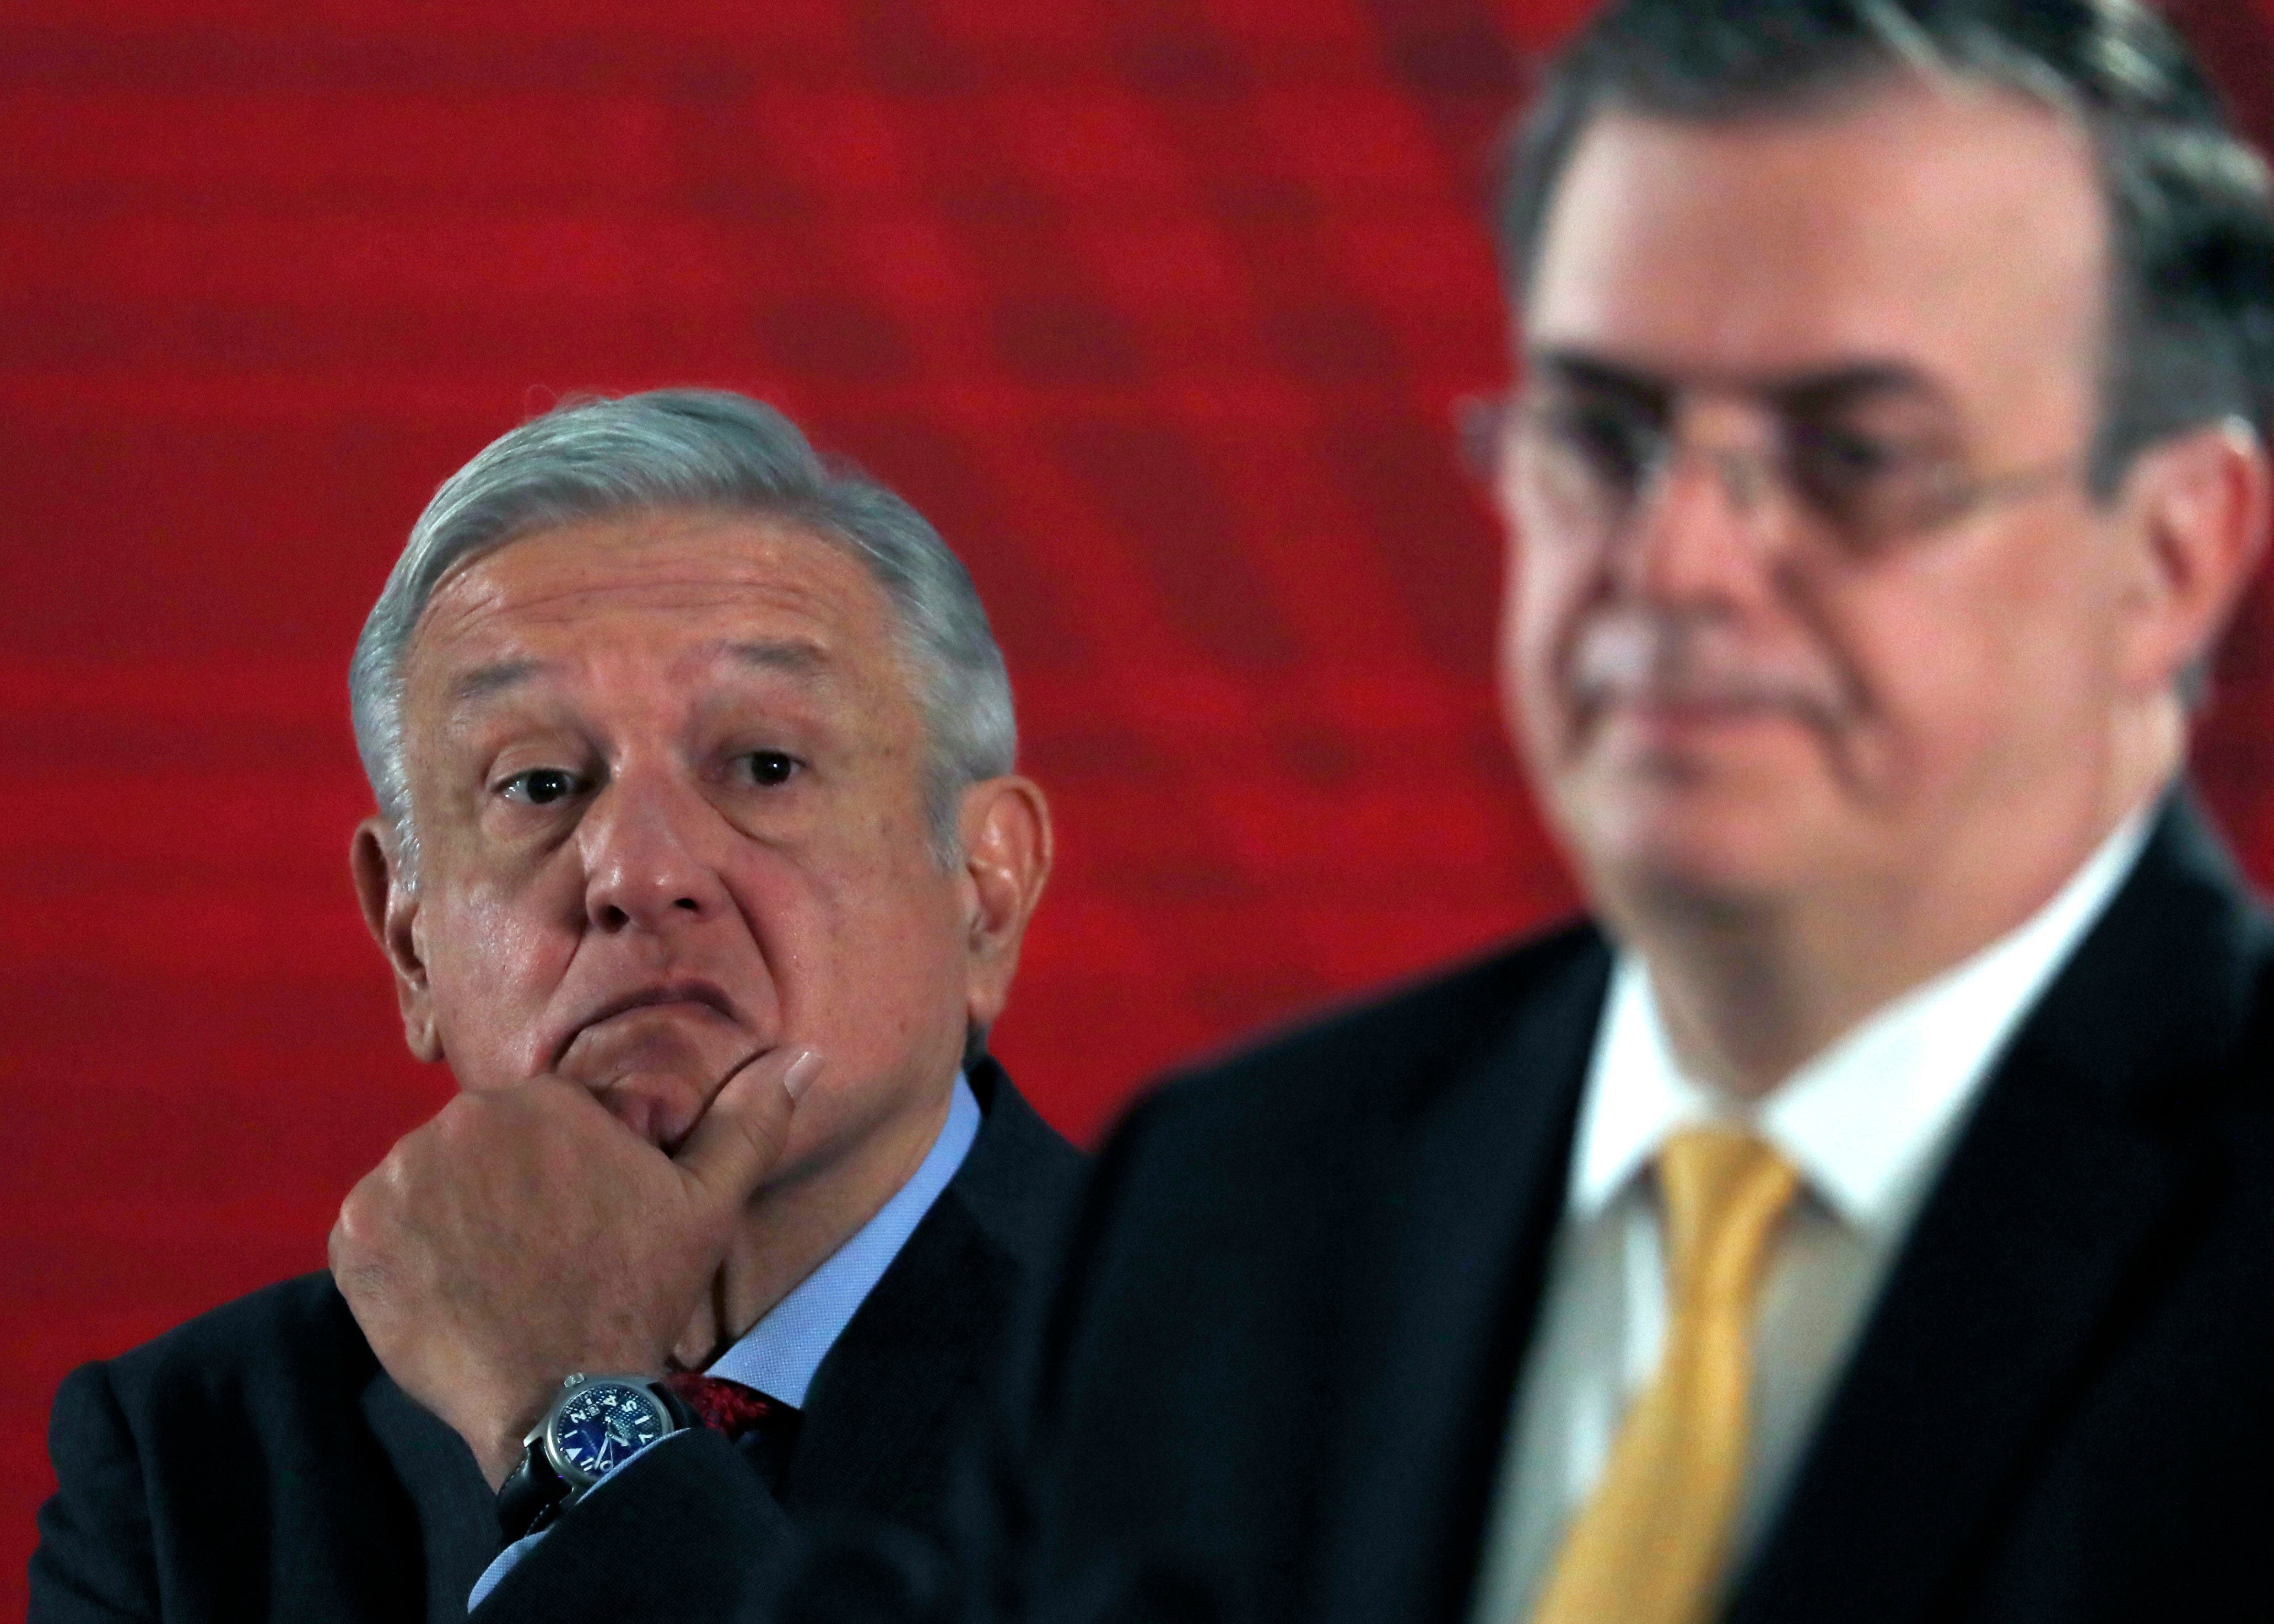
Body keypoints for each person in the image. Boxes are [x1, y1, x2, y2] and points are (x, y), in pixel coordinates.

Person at [586, 1, 2274, 1620]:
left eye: (1853, 456)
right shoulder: (1233, 1200)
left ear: (2175, 550)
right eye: (1604, 434)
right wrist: (573, 1403)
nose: (1674, 562)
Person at [29, 390, 1084, 1623]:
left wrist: (573, 1424)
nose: (640, 874)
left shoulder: (1276, 1379)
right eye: (538, 782)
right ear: (410, 944)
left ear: (986, 892)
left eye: (764, 766)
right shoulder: (193, 1461)